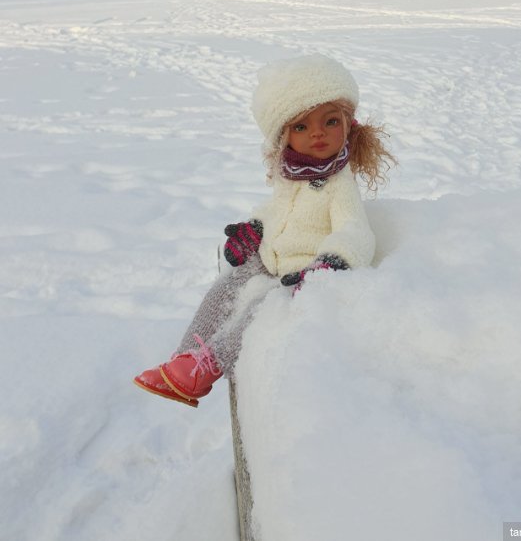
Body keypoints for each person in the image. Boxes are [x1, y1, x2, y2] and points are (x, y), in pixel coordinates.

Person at [133, 54, 396, 407]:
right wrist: (255, 229)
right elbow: (275, 209)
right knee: (224, 288)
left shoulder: (338, 184)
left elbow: (355, 230)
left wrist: (332, 261)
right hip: (269, 257)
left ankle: (206, 368)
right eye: (301, 127)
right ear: (283, 137)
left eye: (330, 121)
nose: (317, 133)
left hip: (300, 274)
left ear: (349, 124)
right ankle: (183, 359)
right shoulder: (290, 173)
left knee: (258, 307)